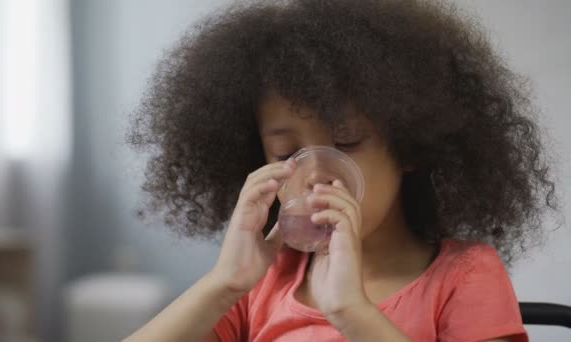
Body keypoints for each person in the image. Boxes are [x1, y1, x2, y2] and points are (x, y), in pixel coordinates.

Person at [125, 0, 558, 340]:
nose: (313, 173)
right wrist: (224, 284)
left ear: (408, 145)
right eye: (284, 153)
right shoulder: (264, 282)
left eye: (347, 142)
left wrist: (352, 312)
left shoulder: (465, 276)